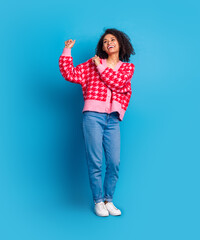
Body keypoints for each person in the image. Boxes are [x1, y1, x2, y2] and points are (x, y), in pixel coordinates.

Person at [58, 28, 135, 217]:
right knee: (95, 161)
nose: (108, 42)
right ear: (102, 47)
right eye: (105, 41)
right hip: (93, 116)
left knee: (114, 162)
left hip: (113, 119)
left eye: (112, 39)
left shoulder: (127, 68)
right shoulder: (93, 64)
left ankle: (109, 200)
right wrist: (67, 51)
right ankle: (98, 201)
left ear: (120, 43)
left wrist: (100, 67)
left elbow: (116, 83)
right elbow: (70, 74)